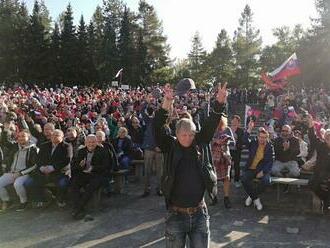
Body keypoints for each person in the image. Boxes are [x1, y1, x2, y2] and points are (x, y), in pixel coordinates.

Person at [154, 82, 228, 248]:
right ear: (177, 134)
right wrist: (167, 102)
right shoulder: (170, 146)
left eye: (191, 134)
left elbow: (211, 122)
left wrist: (220, 102)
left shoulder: (199, 143)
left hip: (199, 213)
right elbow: (158, 127)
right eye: (184, 135)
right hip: (175, 214)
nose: (187, 138)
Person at [28, 129, 72, 208]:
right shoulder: (44, 145)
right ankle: (41, 200)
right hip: (44, 171)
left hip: (60, 171)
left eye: (57, 135)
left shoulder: (67, 146)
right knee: (31, 181)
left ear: (62, 137)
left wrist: (53, 167)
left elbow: (66, 160)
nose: (54, 137)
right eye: (53, 135)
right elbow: (38, 159)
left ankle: (60, 199)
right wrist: (41, 167)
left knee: (62, 183)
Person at [71, 135, 111, 219]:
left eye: (93, 142)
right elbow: (74, 166)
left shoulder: (103, 151)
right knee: (74, 184)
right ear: (85, 143)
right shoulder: (81, 151)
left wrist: (93, 168)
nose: (91, 144)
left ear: (96, 142)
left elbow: (106, 166)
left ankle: (78, 209)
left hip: (98, 174)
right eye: (89, 142)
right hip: (84, 174)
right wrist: (80, 165)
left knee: (90, 187)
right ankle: (78, 208)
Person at [0, 128, 38, 211]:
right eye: (19, 136)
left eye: (23, 136)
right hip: (12, 172)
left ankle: (24, 202)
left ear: (28, 137)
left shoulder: (33, 149)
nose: (21, 138)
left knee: (17, 184)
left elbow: (35, 165)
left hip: (25, 173)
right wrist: (5, 128)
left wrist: (21, 173)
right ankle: (6, 200)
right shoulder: (14, 146)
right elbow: (5, 140)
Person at [241, 122, 274, 211]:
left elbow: (270, 161)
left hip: (262, 169)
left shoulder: (269, 146)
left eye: (264, 137)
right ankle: (256, 198)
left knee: (267, 181)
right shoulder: (253, 143)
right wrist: (249, 129)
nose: (262, 139)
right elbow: (244, 140)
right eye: (260, 137)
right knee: (244, 179)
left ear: (267, 137)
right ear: (257, 137)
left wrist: (263, 171)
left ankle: (251, 196)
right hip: (251, 168)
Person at [306, 115, 330, 212]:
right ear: (324, 138)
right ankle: (325, 202)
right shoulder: (321, 145)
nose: (329, 138)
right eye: (327, 136)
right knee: (311, 184)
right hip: (319, 173)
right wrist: (311, 125)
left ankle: (326, 206)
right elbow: (312, 137)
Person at [211, 116, 235, 209]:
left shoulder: (227, 129)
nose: (218, 122)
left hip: (225, 157)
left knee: (226, 178)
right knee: (213, 178)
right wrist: (215, 141)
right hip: (214, 157)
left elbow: (233, 143)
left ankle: (226, 198)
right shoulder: (212, 129)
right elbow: (207, 141)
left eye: (220, 120)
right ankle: (214, 196)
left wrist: (226, 141)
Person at [230, 115, 244, 188]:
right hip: (228, 150)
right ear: (231, 121)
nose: (235, 122)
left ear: (239, 123)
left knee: (236, 166)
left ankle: (236, 180)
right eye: (234, 120)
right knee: (228, 165)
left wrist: (237, 140)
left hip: (237, 150)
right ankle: (228, 180)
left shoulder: (240, 130)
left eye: (236, 121)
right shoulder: (227, 129)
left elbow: (242, 141)